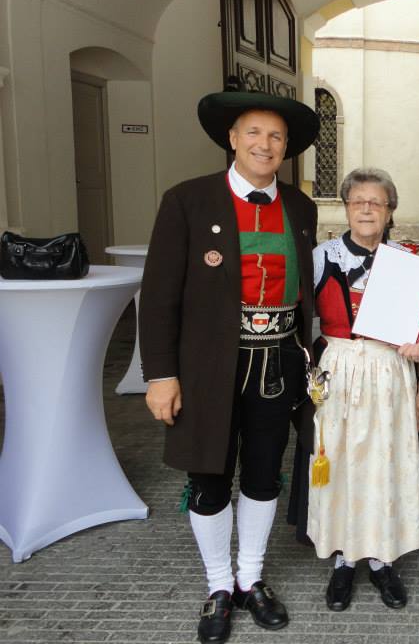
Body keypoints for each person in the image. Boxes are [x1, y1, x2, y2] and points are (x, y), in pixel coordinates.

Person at [139, 82, 319, 643]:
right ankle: (218, 585)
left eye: (277, 137)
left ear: (286, 149)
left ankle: (251, 579)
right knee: (210, 476)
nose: (266, 144)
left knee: (265, 475)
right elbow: (160, 294)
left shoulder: (299, 205)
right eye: (255, 133)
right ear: (232, 139)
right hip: (207, 367)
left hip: (279, 360)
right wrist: (161, 375)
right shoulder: (187, 200)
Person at [305, 168, 419, 612]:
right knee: (339, 463)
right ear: (346, 207)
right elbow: (303, 320)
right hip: (339, 369)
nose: (366, 209)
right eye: (358, 201)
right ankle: (343, 559)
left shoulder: (406, 260)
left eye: (376, 202)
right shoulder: (321, 256)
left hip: (391, 369)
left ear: (390, 210)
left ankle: (380, 559)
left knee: (384, 463)